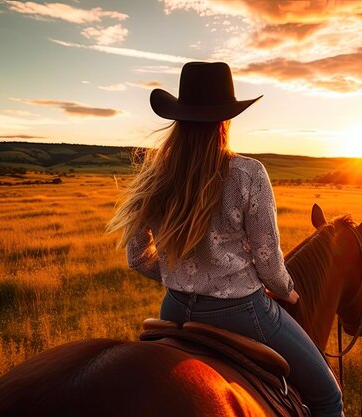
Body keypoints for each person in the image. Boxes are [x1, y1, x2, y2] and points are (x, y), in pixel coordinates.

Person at [108, 62, 342, 417]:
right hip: (242, 313)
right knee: (328, 396)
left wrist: (179, 275)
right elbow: (267, 257)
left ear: (179, 120)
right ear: (225, 122)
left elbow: (137, 257)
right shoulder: (248, 173)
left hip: (173, 308)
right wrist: (286, 288)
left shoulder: (156, 175)